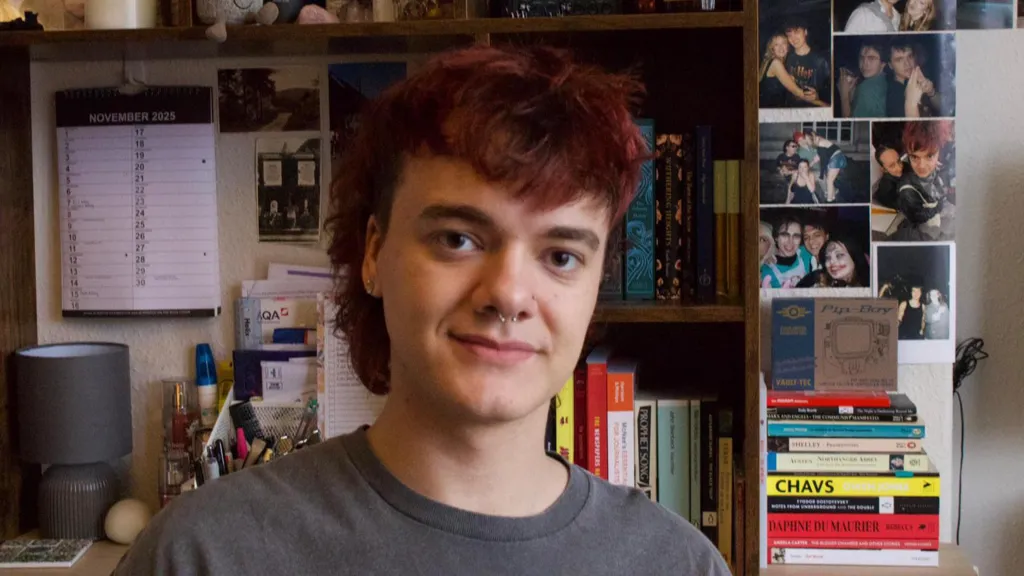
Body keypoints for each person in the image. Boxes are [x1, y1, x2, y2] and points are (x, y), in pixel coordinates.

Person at [111, 45, 731, 575]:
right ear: (375, 254)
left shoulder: (678, 564)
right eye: (458, 239)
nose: (509, 295)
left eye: (561, 256)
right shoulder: (202, 555)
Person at [891, 120, 954, 241]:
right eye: (914, 157)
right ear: (908, 155)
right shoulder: (906, 190)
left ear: (939, 153)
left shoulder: (940, 168)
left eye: (929, 156)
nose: (922, 165)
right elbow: (917, 219)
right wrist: (937, 208)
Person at [759, 33, 826, 108]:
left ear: (787, 47)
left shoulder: (774, 62)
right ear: (772, 48)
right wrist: (823, 104)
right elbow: (797, 92)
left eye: (783, 43)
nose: (781, 47)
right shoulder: (776, 63)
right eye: (776, 44)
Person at [782, 19, 831, 107]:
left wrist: (818, 95)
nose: (793, 38)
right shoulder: (788, 58)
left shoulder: (820, 60)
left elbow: (831, 90)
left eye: (797, 32)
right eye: (789, 35)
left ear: (805, 32)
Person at [837, 40, 888, 119]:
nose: (864, 63)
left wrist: (844, 96)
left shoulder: (866, 88)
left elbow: (848, 120)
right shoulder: (885, 79)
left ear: (883, 64)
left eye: (871, 58)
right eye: (861, 57)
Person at [760, 215, 815, 289]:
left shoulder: (806, 252)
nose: (790, 242)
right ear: (776, 237)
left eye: (796, 236)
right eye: (785, 235)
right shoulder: (766, 270)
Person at [797, 235, 869, 288]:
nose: (832, 261)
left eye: (839, 255)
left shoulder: (872, 283)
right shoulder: (814, 279)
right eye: (827, 257)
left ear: (855, 256)